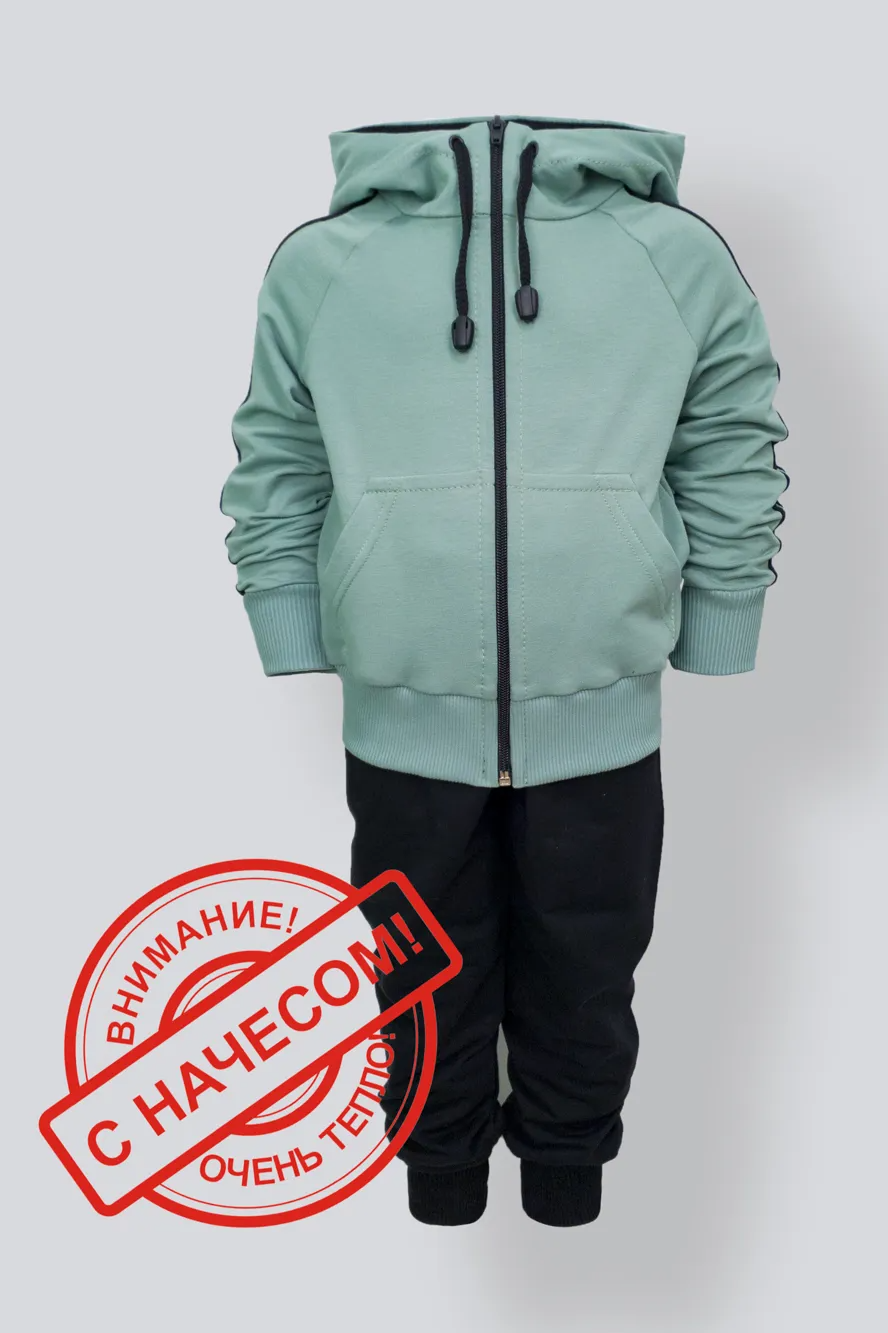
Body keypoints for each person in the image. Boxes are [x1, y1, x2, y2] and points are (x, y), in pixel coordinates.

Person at [220, 113, 789, 1228]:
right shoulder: (324, 263)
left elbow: (729, 431)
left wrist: (724, 611)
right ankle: (439, 1172)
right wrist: (290, 616)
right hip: (401, 705)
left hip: (602, 702)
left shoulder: (670, 253)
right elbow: (279, 448)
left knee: (590, 961)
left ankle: (569, 1171)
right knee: (416, 969)